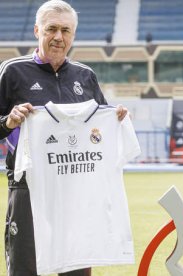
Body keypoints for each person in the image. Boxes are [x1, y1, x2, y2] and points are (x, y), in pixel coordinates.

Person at [0, 1, 128, 275]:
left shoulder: (85, 76)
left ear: (73, 35)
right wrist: (8, 121)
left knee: (77, 271)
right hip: (27, 189)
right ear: (37, 30)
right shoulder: (12, 71)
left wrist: (114, 119)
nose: (59, 37)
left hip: (76, 192)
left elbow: (99, 130)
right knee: (24, 270)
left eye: (66, 30)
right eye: (52, 29)